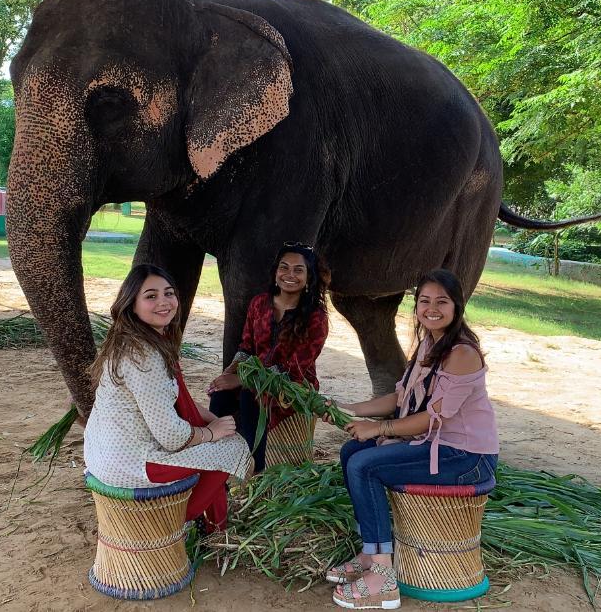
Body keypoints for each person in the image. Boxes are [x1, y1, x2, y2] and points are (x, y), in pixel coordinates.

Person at [326, 269, 499, 610]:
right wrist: (345, 408)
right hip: (435, 445)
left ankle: (382, 578)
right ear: (416, 306)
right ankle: (370, 550)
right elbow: (400, 399)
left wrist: (378, 429)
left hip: (466, 458)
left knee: (365, 466)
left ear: (457, 306)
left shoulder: (462, 353)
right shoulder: (429, 344)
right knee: (352, 452)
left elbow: (434, 417)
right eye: (424, 301)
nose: (432, 308)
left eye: (442, 302)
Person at [83, 264, 252, 532]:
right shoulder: (145, 358)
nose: (163, 302)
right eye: (151, 296)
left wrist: (213, 421)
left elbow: (170, 400)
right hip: (131, 463)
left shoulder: (132, 340)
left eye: (168, 293)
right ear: (132, 304)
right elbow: (172, 438)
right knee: (233, 449)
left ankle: (211, 521)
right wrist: (210, 433)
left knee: (218, 444)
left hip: (102, 453)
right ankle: (176, 519)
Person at [208, 242, 330, 473]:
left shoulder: (316, 317)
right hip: (253, 378)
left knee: (251, 395)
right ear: (275, 273)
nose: (289, 275)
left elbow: (294, 369)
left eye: (298, 270)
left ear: (309, 278)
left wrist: (243, 381)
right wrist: (229, 373)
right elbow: (246, 347)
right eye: (284, 268)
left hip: (292, 388)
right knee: (221, 393)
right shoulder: (259, 304)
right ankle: (217, 460)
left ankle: (257, 468)